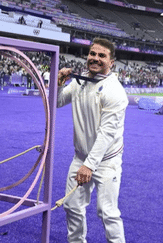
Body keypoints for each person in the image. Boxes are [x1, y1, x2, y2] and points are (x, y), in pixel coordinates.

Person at [57, 38, 128, 243]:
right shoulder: (80, 80)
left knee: (107, 212)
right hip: (80, 157)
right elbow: (58, 101)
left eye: (101, 56)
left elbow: (107, 133)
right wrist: (59, 82)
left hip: (106, 161)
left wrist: (89, 165)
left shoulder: (115, 92)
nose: (95, 58)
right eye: (92, 54)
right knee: (71, 206)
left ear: (111, 62)